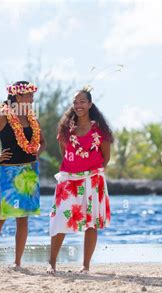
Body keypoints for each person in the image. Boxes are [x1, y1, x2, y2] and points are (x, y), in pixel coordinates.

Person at [0, 81, 45, 271]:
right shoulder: (2, 115)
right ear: (18, 97)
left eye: (32, 94)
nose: (32, 98)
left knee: (23, 219)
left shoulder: (32, 118)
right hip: (8, 173)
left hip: (28, 173)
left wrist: (38, 151)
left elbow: (42, 142)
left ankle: (17, 263)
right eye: (28, 95)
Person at [47, 86, 113, 275]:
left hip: (93, 180)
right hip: (69, 180)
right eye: (75, 102)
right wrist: (74, 169)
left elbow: (105, 157)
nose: (78, 105)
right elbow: (65, 153)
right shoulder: (66, 129)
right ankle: (52, 263)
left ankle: (85, 265)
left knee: (91, 223)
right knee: (60, 219)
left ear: (90, 104)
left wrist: (91, 171)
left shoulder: (100, 130)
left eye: (82, 101)